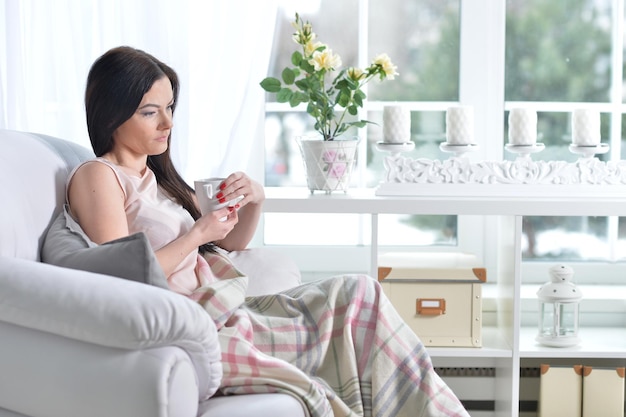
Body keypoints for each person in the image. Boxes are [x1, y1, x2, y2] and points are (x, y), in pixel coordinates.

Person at [67, 46, 469, 417]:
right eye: (150, 112)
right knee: (356, 302)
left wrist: (253, 200)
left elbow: (230, 244)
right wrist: (196, 234)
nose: (169, 122)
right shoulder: (99, 176)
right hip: (202, 324)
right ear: (111, 116)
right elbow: (121, 277)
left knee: (360, 291)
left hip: (226, 308)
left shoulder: (157, 177)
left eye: (170, 107)